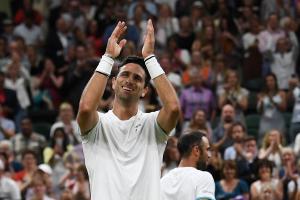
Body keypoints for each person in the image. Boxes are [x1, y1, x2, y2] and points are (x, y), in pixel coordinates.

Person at [76, 20, 180, 200]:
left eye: (137, 78)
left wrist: (150, 57)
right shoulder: (98, 125)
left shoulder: (152, 126)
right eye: (124, 74)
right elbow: (85, 108)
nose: (130, 80)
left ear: (145, 91)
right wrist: (108, 57)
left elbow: (173, 109)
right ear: (113, 82)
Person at [160, 131, 215, 200]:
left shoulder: (163, 181)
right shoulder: (204, 177)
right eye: (207, 149)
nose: (209, 155)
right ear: (196, 150)